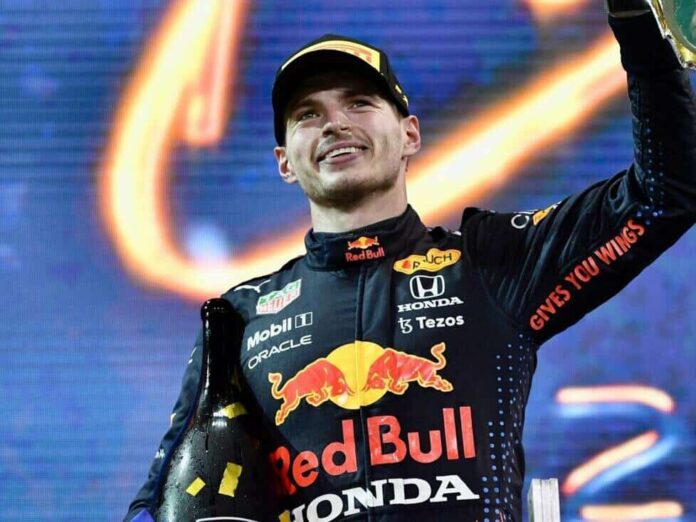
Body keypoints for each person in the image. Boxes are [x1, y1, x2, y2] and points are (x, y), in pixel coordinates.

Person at [125, 2, 696, 521]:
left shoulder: (489, 263)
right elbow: (159, 502)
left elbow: (664, 194)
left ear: (410, 134)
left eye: (359, 102)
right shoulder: (238, 320)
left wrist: (634, 18)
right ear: (285, 162)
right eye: (307, 114)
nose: (334, 123)